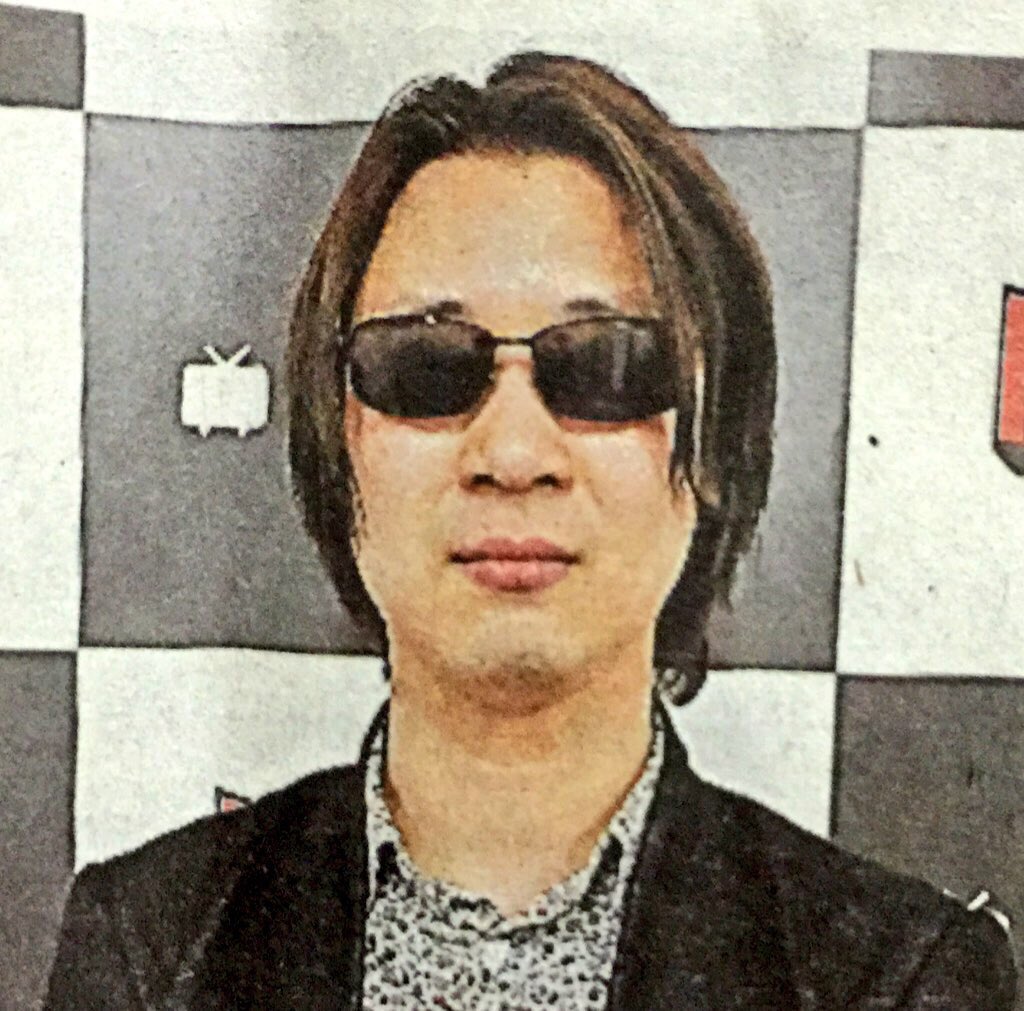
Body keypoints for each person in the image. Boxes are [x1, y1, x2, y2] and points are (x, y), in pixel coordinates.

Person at [46, 52, 1016, 1009]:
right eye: (427, 361)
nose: (512, 452)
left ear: (713, 445)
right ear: (337, 441)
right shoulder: (149, 949)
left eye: (606, 363)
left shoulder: (899, 979)